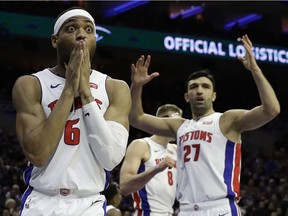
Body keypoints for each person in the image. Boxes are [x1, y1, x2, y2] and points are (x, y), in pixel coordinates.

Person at [128, 35, 280, 216]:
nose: (199, 90)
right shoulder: (179, 126)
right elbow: (136, 118)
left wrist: (254, 68)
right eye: (193, 87)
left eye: (205, 87)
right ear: (186, 96)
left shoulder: (226, 120)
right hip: (186, 209)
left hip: (220, 207)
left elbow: (272, 109)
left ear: (214, 95)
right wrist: (136, 86)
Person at [12, 6, 131, 216]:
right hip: (42, 199)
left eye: (88, 30)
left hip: (88, 202)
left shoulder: (114, 87)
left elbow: (111, 158)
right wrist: (69, 89)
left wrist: (85, 93)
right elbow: (37, 154)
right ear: (54, 40)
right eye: (71, 28)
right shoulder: (31, 84)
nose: (81, 35)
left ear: (96, 38)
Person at [120, 104, 183, 216]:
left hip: (169, 212)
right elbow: (125, 187)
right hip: (147, 213)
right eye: (176, 122)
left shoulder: (176, 149)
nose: (178, 127)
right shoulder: (141, 145)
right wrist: (156, 169)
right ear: (164, 121)